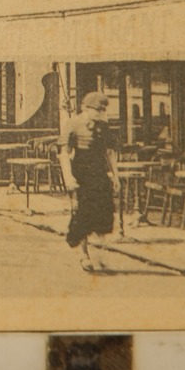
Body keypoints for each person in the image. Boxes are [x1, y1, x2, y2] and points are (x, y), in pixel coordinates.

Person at [59, 91, 118, 272]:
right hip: (81, 172)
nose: (100, 113)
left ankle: (99, 255)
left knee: (104, 211)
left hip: (99, 172)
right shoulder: (73, 124)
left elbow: (109, 152)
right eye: (97, 110)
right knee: (83, 213)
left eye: (103, 110)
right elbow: (64, 153)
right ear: (86, 108)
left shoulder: (103, 126)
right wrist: (68, 177)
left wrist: (115, 176)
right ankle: (84, 255)